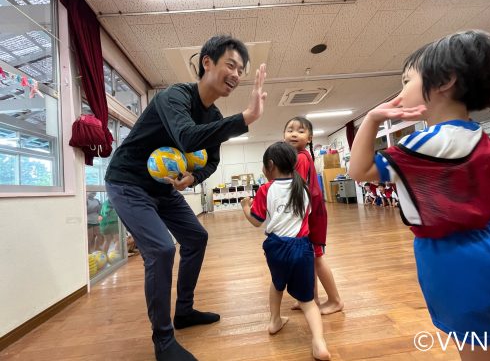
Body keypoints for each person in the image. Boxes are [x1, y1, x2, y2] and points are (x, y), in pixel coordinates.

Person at [105, 35, 268, 361]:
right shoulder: (175, 97)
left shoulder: (215, 114)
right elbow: (186, 135)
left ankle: (184, 311)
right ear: (207, 62)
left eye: (242, 69)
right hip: (127, 182)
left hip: (162, 189)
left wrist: (193, 177)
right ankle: (163, 341)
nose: (237, 74)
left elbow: (212, 159)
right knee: (162, 249)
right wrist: (245, 118)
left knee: (196, 237)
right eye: (231, 65)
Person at [349, 30, 490, 360]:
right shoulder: (479, 137)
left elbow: (358, 170)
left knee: (476, 350)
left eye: (406, 80)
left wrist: (372, 119)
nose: (401, 91)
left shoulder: (424, 144)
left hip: (457, 259)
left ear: (445, 80)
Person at [240, 142, 331, 360]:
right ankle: (319, 343)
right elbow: (306, 216)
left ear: (270, 165)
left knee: (277, 283)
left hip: (275, 247)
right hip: (302, 248)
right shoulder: (303, 187)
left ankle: (274, 321)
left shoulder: (266, 189)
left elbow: (256, 221)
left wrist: (245, 207)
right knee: (308, 301)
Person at [283, 117, 344, 315]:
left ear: (309, 138)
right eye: (290, 129)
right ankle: (312, 299)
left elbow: (297, 191)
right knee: (309, 259)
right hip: (311, 213)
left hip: (311, 217)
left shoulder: (300, 158)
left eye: (300, 131)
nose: (294, 133)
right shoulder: (299, 157)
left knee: (317, 258)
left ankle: (335, 300)